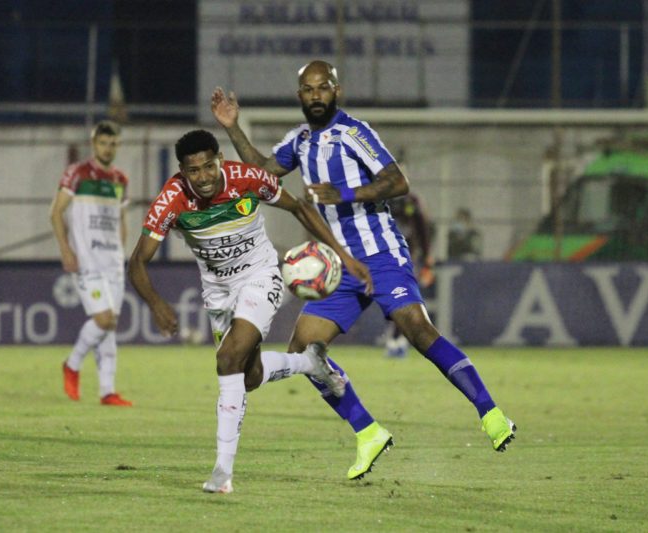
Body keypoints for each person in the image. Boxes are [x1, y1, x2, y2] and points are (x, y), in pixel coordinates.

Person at [211, 59, 516, 479]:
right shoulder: (300, 141)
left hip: (381, 255)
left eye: (322, 88)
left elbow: (398, 181)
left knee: (419, 332)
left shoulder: (354, 132)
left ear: (336, 91)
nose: (315, 95)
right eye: (308, 89)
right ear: (299, 96)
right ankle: (367, 431)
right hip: (336, 268)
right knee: (305, 351)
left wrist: (345, 193)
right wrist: (232, 127)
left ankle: (491, 414)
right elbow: (262, 170)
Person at [128, 130, 373, 494]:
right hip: (218, 293)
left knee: (228, 359)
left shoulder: (248, 179)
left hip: (262, 276)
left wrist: (343, 254)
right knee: (248, 377)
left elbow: (299, 207)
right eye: (193, 171)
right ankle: (311, 363)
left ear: (220, 159)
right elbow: (137, 262)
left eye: (209, 166)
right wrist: (156, 303)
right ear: (182, 171)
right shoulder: (172, 199)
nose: (204, 177)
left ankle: (222, 473)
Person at [50, 120, 132, 406]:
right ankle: (72, 364)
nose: (107, 148)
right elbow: (56, 213)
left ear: (117, 145)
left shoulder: (120, 179)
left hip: (113, 263)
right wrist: (66, 250)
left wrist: (121, 250)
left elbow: (121, 220)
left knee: (110, 326)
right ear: (94, 144)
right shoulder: (77, 173)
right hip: (87, 261)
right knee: (103, 319)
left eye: (112, 144)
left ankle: (107, 390)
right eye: (103, 143)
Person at [383, 192, 436, 357]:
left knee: (403, 297)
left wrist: (427, 255)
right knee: (393, 299)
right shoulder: (377, 196)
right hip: (381, 255)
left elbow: (423, 227)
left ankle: (397, 340)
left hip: (406, 256)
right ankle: (397, 338)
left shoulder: (411, 201)